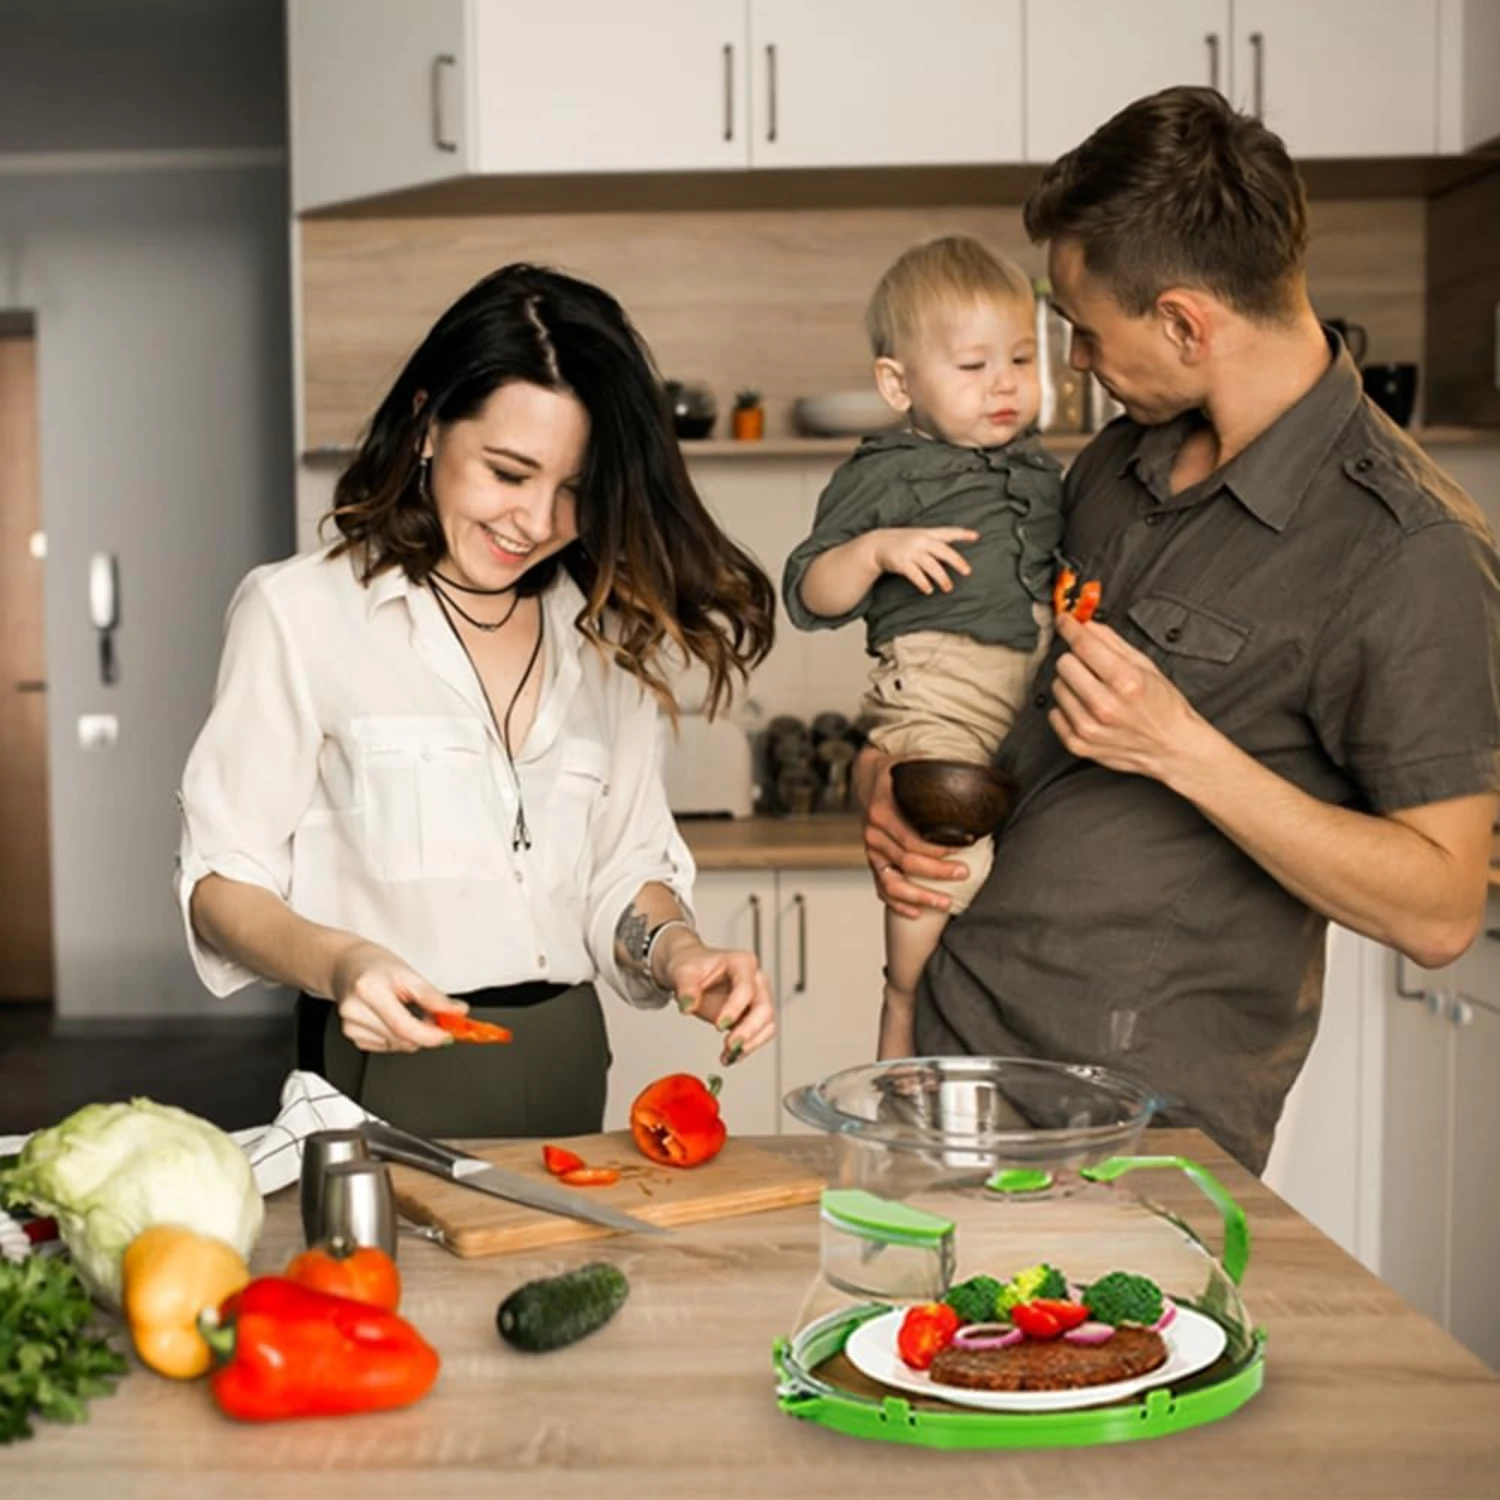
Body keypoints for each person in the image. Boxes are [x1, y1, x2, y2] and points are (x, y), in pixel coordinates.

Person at [857, 87, 1500, 1173]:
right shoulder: (1120, 461)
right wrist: (884, 777)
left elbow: (1440, 907)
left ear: (1187, 323)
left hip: (1126, 1124)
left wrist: (1183, 751)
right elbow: (995, 681)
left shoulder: (1410, 548)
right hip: (953, 1048)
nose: (1075, 364)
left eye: (1083, 333)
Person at [175, 263, 778, 1138]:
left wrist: (682, 952)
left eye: (573, 490)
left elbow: (621, 873)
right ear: (427, 426)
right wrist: (344, 963)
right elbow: (222, 884)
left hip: (574, 1075)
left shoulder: (611, 638)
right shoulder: (300, 613)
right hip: (381, 1075)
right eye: (508, 472)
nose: (535, 521)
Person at [781, 236, 1064, 1061]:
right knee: (939, 851)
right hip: (939, 684)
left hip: (1034, 685)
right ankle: (902, 1002)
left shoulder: (1046, 473)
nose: (1004, 382)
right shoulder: (886, 472)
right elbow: (808, 590)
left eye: (1019, 357)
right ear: (898, 384)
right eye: (973, 365)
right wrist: (874, 553)